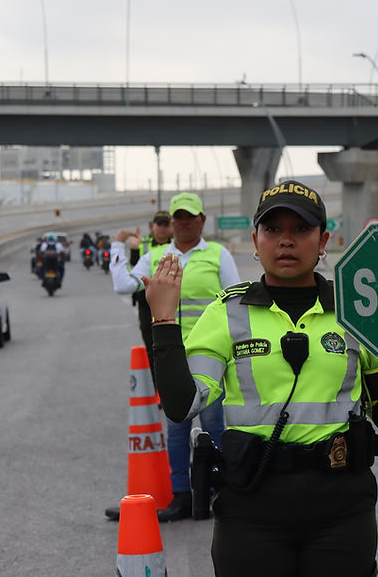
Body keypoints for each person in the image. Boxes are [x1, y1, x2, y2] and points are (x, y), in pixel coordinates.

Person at [145, 180, 378, 575]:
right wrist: (163, 320)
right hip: (252, 503)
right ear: (256, 239)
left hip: (341, 506)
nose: (286, 241)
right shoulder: (226, 313)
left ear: (323, 238)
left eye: (301, 229)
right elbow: (181, 406)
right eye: (273, 229)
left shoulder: (357, 309)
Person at [109, 192, 241, 522]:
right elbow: (124, 286)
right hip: (172, 358)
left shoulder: (217, 254)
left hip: (210, 358)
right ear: (171, 221)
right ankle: (182, 496)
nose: (183, 222)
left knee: (213, 426)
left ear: (202, 220)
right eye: (177, 217)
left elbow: (236, 303)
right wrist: (116, 246)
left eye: (190, 216)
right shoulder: (155, 258)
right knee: (177, 429)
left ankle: (221, 491)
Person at [115, 211, 173, 372]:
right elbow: (132, 273)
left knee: (172, 346)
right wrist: (133, 249)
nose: (162, 228)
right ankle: (159, 387)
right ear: (152, 226)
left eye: (166, 224)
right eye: (159, 224)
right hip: (146, 301)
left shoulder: (179, 244)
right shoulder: (141, 244)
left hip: (171, 301)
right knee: (152, 346)